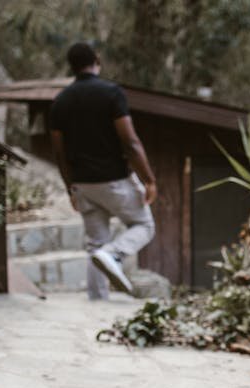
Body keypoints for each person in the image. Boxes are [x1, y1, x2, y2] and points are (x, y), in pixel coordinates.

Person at [49, 42, 158, 299]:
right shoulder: (111, 93)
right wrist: (149, 180)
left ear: (72, 67)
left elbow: (59, 152)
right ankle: (114, 254)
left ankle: (98, 302)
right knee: (144, 225)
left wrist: (70, 189)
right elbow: (130, 142)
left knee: (95, 244)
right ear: (97, 60)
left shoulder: (60, 102)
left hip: (83, 184)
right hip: (115, 180)